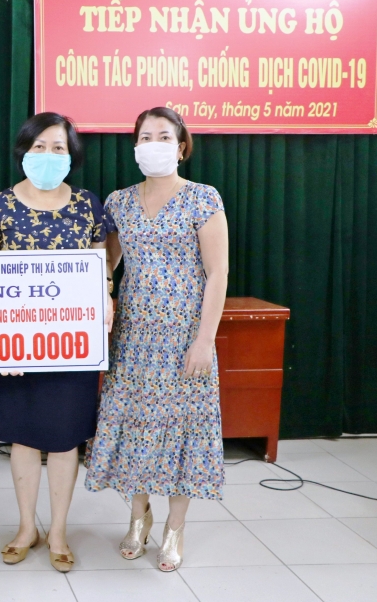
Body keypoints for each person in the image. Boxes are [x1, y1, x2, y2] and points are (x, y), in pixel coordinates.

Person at [85, 107, 229, 572]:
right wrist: (103, 292)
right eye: (145, 136)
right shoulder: (119, 202)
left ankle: (174, 529)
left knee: (182, 430)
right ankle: (138, 517)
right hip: (134, 336)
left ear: (181, 147)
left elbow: (218, 272)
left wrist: (204, 340)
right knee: (137, 428)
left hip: (185, 336)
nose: (153, 144)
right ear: (135, 146)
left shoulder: (203, 198)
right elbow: (106, 263)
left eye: (164, 136)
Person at [0, 112, 114, 573]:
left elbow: (101, 266)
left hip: (72, 341)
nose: (49, 155)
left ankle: (57, 530)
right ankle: (25, 528)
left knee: (64, 438)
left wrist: (106, 299)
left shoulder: (88, 205)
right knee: (21, 435)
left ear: (72, 155)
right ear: (24, 151)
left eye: (59, 148)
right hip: (14, 344)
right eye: (40, 147)